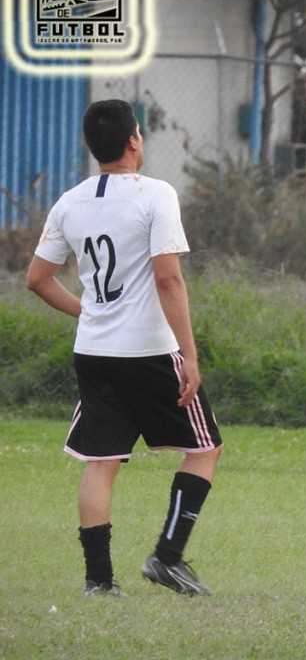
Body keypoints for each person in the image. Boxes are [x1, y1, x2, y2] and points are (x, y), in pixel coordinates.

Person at [25, 99, 223, 597]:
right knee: (204, 449)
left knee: (102, 461)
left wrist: (88, 313)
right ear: (135, 140)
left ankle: (98, 581)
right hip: (149, 350)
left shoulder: (69, 202)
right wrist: (190, 355)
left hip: (94, 352)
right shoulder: (155, 194)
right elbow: (168, 278)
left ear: (94, 147)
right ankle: (167, 558)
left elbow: (38, 279)